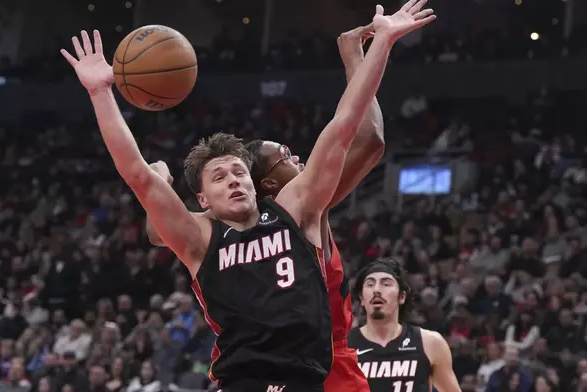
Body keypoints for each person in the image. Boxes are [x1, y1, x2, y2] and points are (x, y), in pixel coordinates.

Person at [61, 1, 435, 390]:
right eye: (219, 177)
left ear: (256, 185)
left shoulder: (297, 209)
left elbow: (345, 126)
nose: (234, 180)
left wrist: (383, 43)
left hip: (309, 377)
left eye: (239, 172)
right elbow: (137, 174)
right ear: (203, 199)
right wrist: (101, 91)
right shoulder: (200, 238)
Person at [144, 20, 394, 392]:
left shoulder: (251, 217)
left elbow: (156, 232)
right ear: (270, 185)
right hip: (313, 366)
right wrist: (353, 58)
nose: (300, 160)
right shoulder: (301, 209)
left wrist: (159, 187)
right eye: (287, 156)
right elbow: (370, 140)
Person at [349, 258, 461, 392]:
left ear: (402, 296)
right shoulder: (343, 347)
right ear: (361, 298)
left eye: (386, 284)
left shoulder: (430, 343)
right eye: (370, 284)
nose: (377, 290)